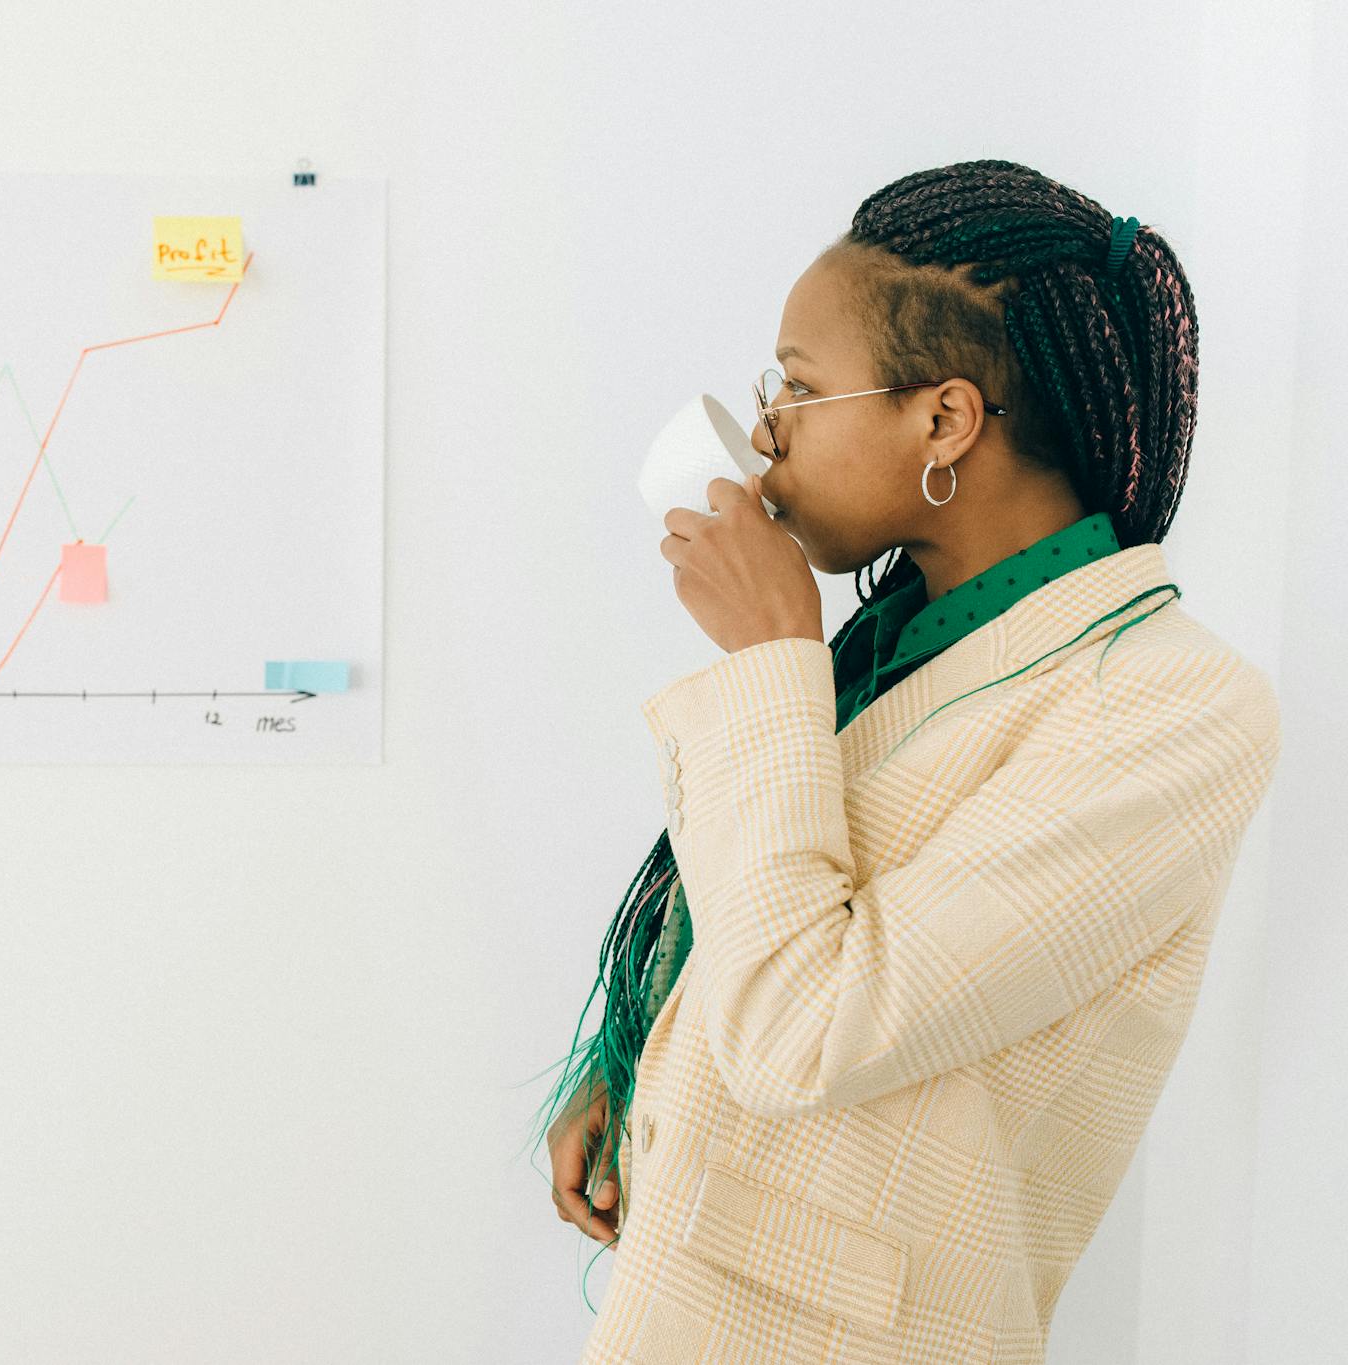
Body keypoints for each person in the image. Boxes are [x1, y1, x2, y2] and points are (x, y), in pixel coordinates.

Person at [529, 158, 1282, 1363]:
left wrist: (768, 657)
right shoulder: (902, 638)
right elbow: (780, 912)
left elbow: (810, 1031)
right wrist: (648, 1062)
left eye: (795, 386)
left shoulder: (1168, 707)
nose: (761, 432)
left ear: (941, 419)